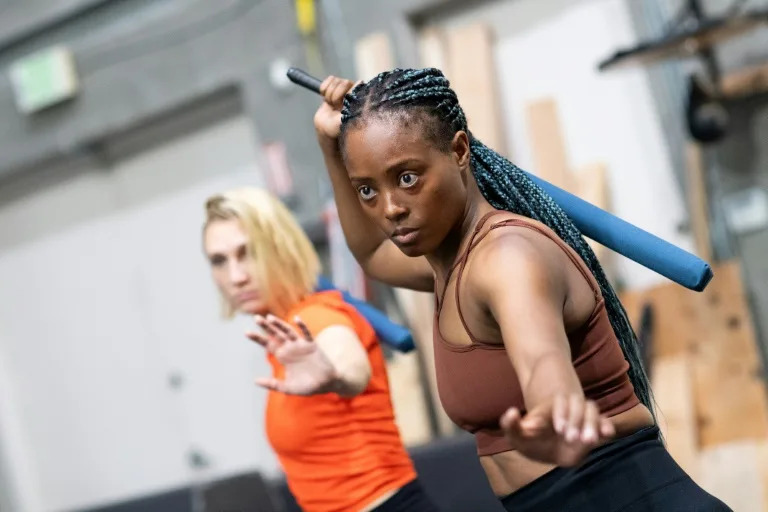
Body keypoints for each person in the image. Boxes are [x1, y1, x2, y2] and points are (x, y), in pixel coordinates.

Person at [312, 68, 731, 511]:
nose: (391, 208)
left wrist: (556, 413)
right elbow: (374, 252)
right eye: (367, 190)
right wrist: (329, 145)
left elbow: (542, 363)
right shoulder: (449, 265)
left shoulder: (506, 257)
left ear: (458, 151)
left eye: (408, 178)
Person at [202, 187, 440, 512]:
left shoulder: (316, 317)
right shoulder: (285, 334)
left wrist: (335, 375)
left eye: (248, 253)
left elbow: (350, 367)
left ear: (279, 249)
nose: (236, 276)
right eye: (219, 260)